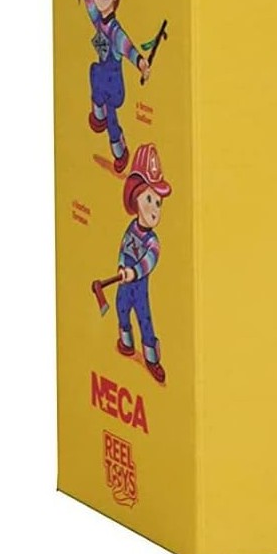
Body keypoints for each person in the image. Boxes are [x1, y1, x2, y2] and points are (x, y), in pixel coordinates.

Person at [77, 0, 150, 172]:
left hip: (114, 83)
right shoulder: (98, 19)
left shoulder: (115, 32)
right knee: (93, 74)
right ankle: (97, 115)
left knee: (111, 118)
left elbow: (128, 48)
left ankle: (119, 149)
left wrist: (141, 62)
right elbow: (89, 0)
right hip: (101, 76)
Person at [115, 143, 171, 385]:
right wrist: (121, 266)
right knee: (121, 307)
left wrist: (134, 272)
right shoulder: (131, 228)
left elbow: (149, 262)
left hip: (138, 286)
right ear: (135, 197)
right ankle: (126, 342)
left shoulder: (152, 241)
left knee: (145, 319)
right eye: (149, 199)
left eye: (158, 203)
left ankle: (151, 358)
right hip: (124, 283)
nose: (154, 209)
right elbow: (123, 248)